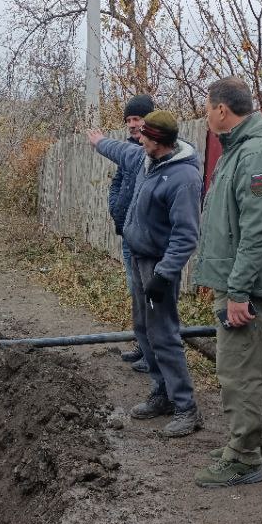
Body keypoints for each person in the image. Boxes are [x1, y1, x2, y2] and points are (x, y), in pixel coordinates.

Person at [189, 77, 262, 489]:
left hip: (243, 284)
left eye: (207, 106)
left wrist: (237, 291)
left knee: (239, 370)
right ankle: (254, 446)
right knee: (252, 366)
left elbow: (256, 231)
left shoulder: (255, 154)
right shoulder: (241, 149)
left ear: (221, 110)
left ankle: (244, 456)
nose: (206, 113)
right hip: (238, 278)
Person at [88, 109, 203, 437]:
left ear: (160, 141)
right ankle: (161, 393)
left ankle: (186, 408)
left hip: (158, 265)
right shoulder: (148, 160)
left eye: (145, 138)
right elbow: (121, 151)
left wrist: (164, 274)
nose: (138, 140)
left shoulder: (183, 179)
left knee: (164, 334)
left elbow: (186, 235)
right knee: (144, 328)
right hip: (139, 257)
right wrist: (98, 143)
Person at [107, 94, 156, 372]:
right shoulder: (129, 151)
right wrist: (115, 208)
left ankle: (153, 354)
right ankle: (143, 346)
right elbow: (117, 183)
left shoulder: (156, 152)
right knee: (136, 293)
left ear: (149, 119)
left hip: (147, 240)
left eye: (137, 118)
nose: (132, 124)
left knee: (149, 295)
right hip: (128, 234)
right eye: (128, 120)